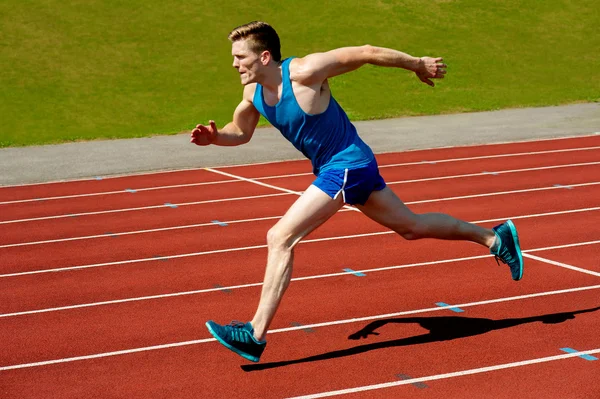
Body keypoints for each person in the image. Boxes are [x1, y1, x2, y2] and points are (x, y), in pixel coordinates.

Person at [191, 21, 524, 363]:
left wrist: (417, 63)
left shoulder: (305, 72)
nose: (234, 64)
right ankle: (495, 239)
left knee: (280, 237)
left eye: (239, 57)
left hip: (347, 165)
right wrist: (215, 138)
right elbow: (240, 131)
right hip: (342, 168)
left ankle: (255, 334)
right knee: (411, 226)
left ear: (263, 57)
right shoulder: (253, 94)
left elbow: (364, 53)